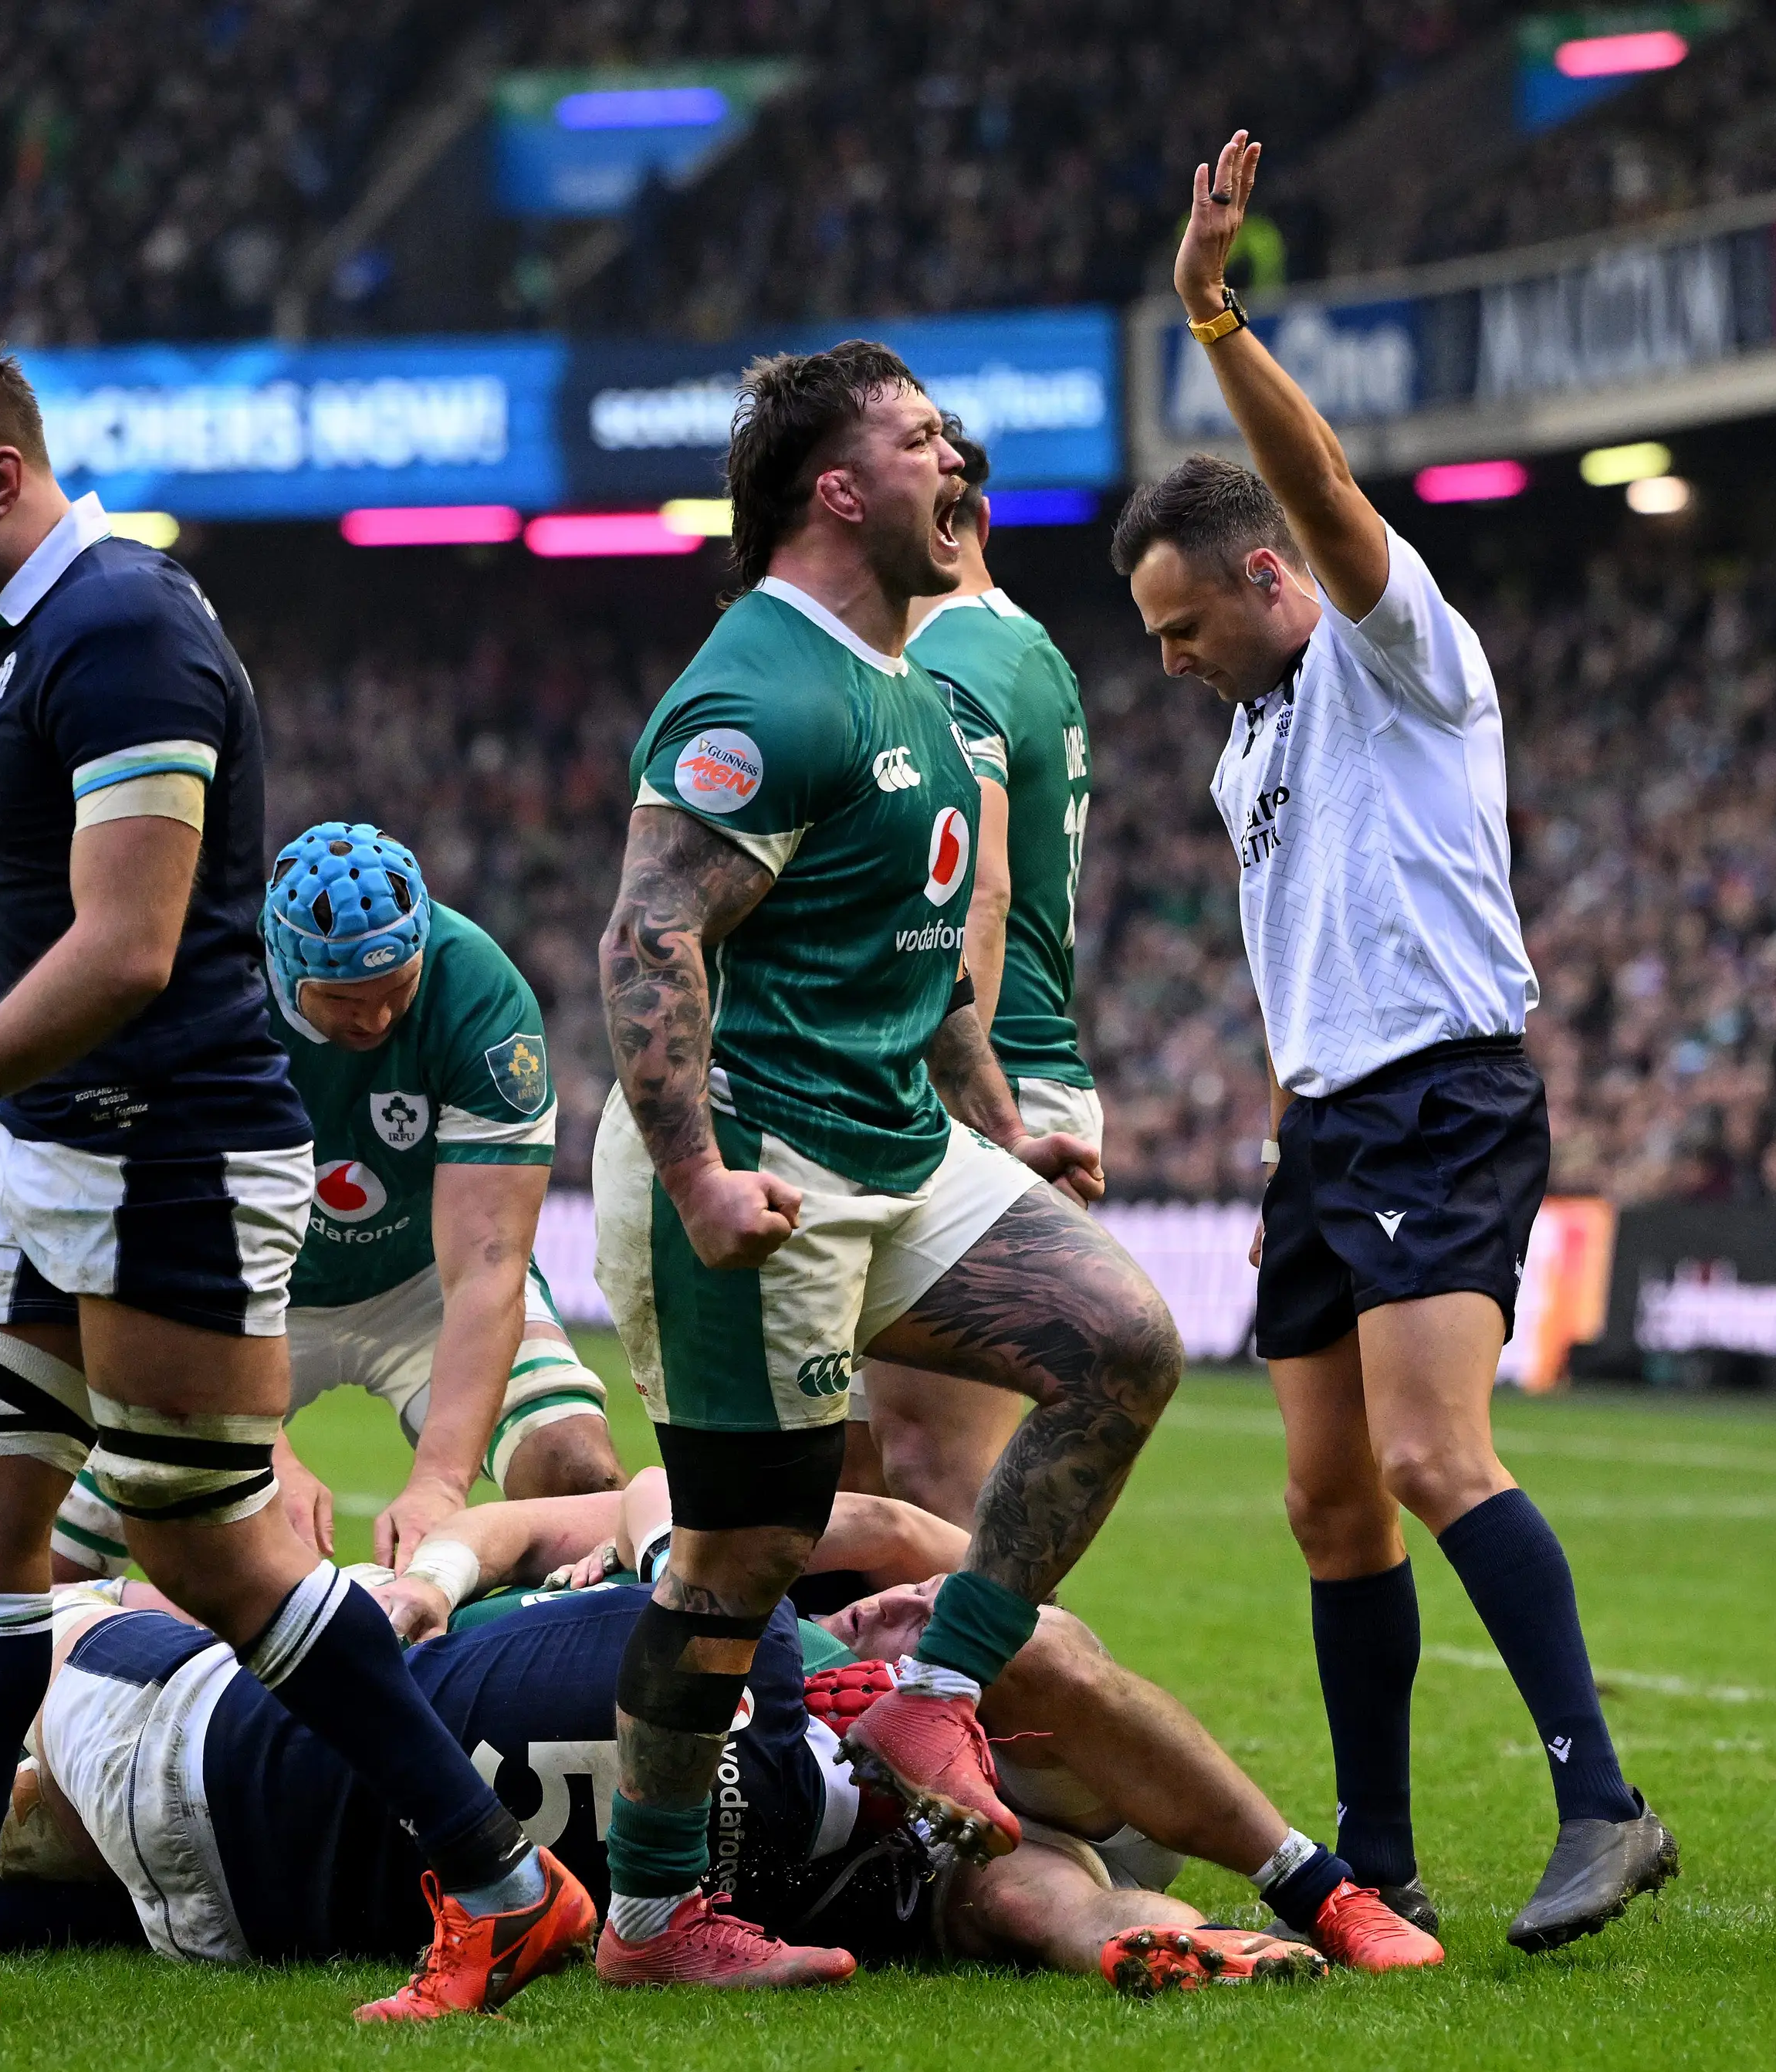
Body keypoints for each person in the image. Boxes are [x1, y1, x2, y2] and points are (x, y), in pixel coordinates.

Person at [0, 322, 590, 2022]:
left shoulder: (123, 625)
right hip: (58, 1150)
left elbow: (132, 946)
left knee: (210, 1554)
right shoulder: (23, 643)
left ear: (3, 475)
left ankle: (502, 1874)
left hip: (162, 1161)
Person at [1118, 130, 1676, 1954]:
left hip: (1443, 1095)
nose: (1175, 659)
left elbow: (1328, 488)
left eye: (1187, 622)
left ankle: (1603, 1801)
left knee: (1439, 1458)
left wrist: (1209, 316)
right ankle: (1377, 1852)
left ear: (1269, 575)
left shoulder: (1389, 650)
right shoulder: (1244, 739)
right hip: (1323, 1129)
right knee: (1323, 1496)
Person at [0, 1480, 1439, 1991]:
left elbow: (952, 1586)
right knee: (4, 1842)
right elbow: (1058, 1890)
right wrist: (1165, 1917)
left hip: (244, 1754)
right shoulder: (925, 1860)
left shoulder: (766, 1599)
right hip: (294, 1890)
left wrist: (433, 1579)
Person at [591, 337, 1202, 1989]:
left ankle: (936, 1698)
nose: (961, 469)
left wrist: (995, 1119)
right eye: (925, 441)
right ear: (839, 490)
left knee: (1125, 1343)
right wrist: (705, 1180)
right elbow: (647, 941)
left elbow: (916, 959)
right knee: (740, 1562)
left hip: (903, 1145)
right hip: (752, 1170)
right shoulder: (759, 689)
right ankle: (651, 1925)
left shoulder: (920, 686)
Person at [48, 823, 620, 1587]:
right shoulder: (206, 997)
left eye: (396, 992)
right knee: (57, 1537)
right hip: (246, 1294)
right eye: (346, 1000)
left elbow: (489, 1265)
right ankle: (44, 1695)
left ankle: (547, 1693)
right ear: (285, 972)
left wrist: (440, 1484)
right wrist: (262, 1455)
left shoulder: (477, 991)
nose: (377, 1020)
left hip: (424, 1280)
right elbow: (168, 1250)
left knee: (578, 1473)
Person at [850, 426, 1101, 1527]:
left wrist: (953, 1110)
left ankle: (974, 1699)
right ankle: (860, 1702)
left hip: (979, 1085)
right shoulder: (1025, 651)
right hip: (994, 1081)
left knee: (937, 1477)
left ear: (957, 525)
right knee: (856, 1473)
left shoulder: (951, 664)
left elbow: (976, 889)